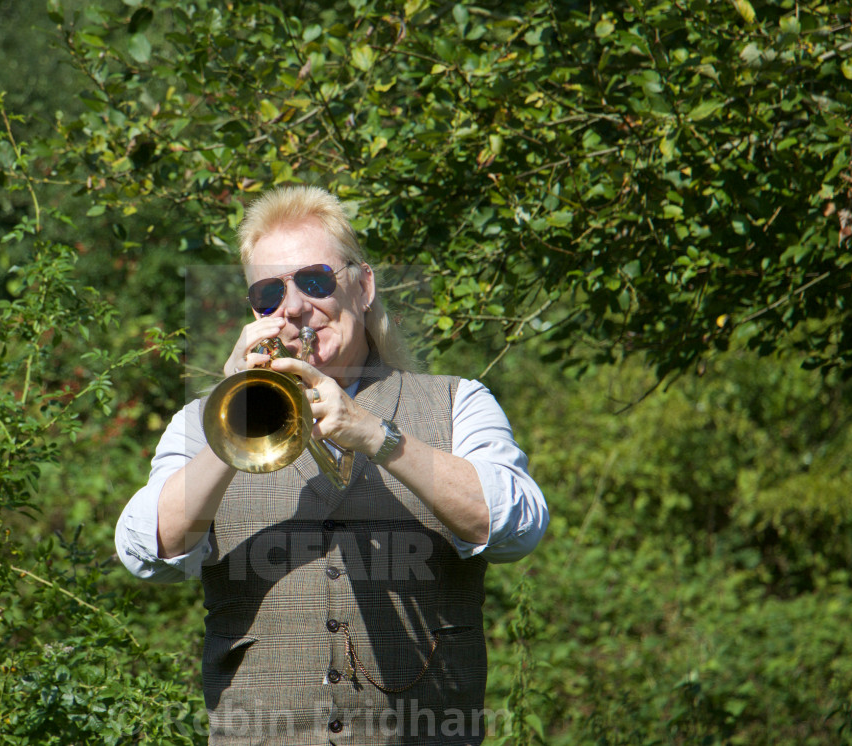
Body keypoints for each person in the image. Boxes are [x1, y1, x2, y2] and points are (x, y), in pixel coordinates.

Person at [116, 186, 549, 745]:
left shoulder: (459, 401)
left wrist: (376, 435)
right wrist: (233, 417)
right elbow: (144, 551)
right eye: (269, 292)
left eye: (314, 281)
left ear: (363, 286)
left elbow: (518, 528)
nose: (293, 308)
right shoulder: (200, 423)